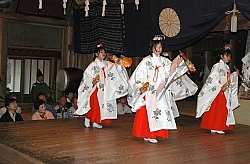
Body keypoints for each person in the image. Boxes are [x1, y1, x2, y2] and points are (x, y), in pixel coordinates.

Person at [127, 35, 198, 143]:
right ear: (152, 47)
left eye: (160, 46)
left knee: (159, 110)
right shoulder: (146, 61)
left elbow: (173, 70)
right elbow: (138, 76)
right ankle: (147, 134)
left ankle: (154, 134)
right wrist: (140, 87)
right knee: (147, 110)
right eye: (157, 46)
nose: (159, 49)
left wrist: (184, 66)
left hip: (160, 90)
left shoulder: (164, 61)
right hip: (150, 89)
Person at [75, 44, 129, 128]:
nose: (103, 53)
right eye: (101, 52)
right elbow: (86, 76)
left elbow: (115, 69)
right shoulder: (93, 65)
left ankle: (96, 121)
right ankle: (88, 118)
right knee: (94, 104)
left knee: (101, 105)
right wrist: (92, 81)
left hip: (104, 88)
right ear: (96, 54)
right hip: (96, 88)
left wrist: (119, 63)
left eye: (104, 52)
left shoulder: (107, 64)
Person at [196, 44, 239, 134]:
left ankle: (218, 126)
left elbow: (227, 78)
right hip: (218, 90)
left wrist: (234, 74)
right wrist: (220, 86)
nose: (228, 58)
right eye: (226, 56)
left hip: (223, 90)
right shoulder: (217, 66)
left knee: (222, 109)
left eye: (229, 56)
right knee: (218, 109)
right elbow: (212, 78)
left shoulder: (226, 67)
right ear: (221, 56)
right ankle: (215, 126)